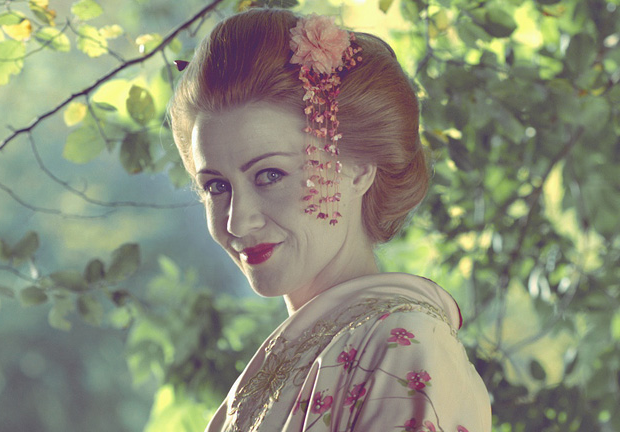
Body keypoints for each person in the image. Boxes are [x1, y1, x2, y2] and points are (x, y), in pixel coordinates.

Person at [168, 8, 491, 432]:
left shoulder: (405, 341)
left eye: (269, 175)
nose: (237, 222)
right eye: (216, 186)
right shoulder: (278, 368)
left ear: (358, 169)